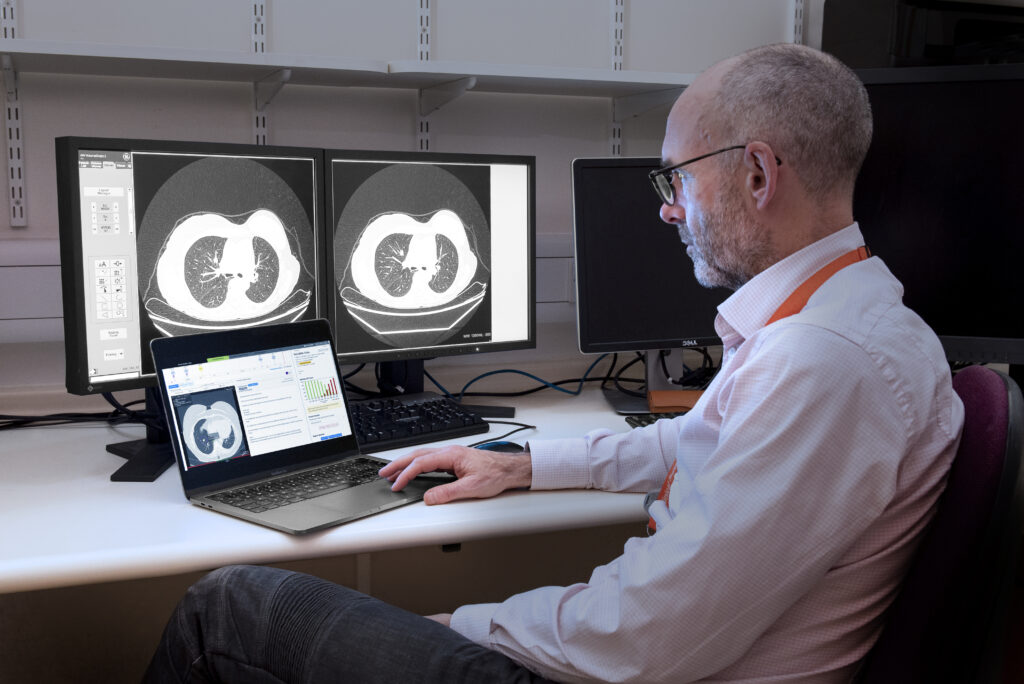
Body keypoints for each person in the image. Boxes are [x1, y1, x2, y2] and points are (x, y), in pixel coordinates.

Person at [143, 43, 964, 684]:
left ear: (756, 174)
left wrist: (460, 624)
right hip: (664, 660)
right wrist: (521, 465)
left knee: (231, 607)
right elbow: (701, 445)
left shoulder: (825, 363)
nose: (669, 207)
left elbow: (645, 639)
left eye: (676, 177)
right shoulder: (843, 317)